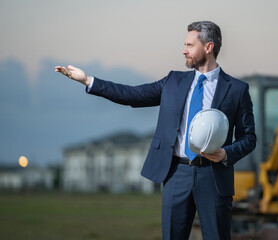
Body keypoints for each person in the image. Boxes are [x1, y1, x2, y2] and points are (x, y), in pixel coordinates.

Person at [55, 21, 256, 240]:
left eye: (190, 45)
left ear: (208, 47)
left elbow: (249, 137)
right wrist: (88, 80)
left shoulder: (237, 89)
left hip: (214, 176)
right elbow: (132, 95)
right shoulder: (173, 81)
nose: (184, 50)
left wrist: (225, 154)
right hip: (176, 174)